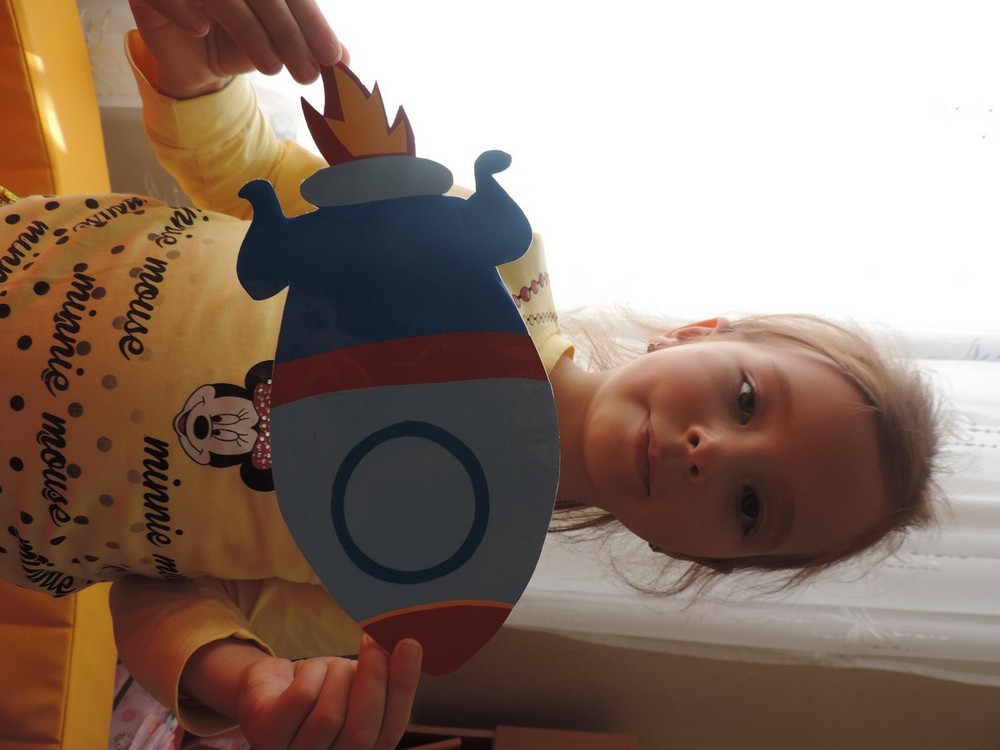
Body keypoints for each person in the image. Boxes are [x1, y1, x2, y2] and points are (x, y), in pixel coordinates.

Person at [0, 0, 941, 747]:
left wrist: (243, 680)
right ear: (694, 333)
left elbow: (157, 599)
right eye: (745, 399)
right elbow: (241, 168)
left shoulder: (438, 584)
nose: (711, 451)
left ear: (699, 559)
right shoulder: (489, 249)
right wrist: (195, 67)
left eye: (750, 506)